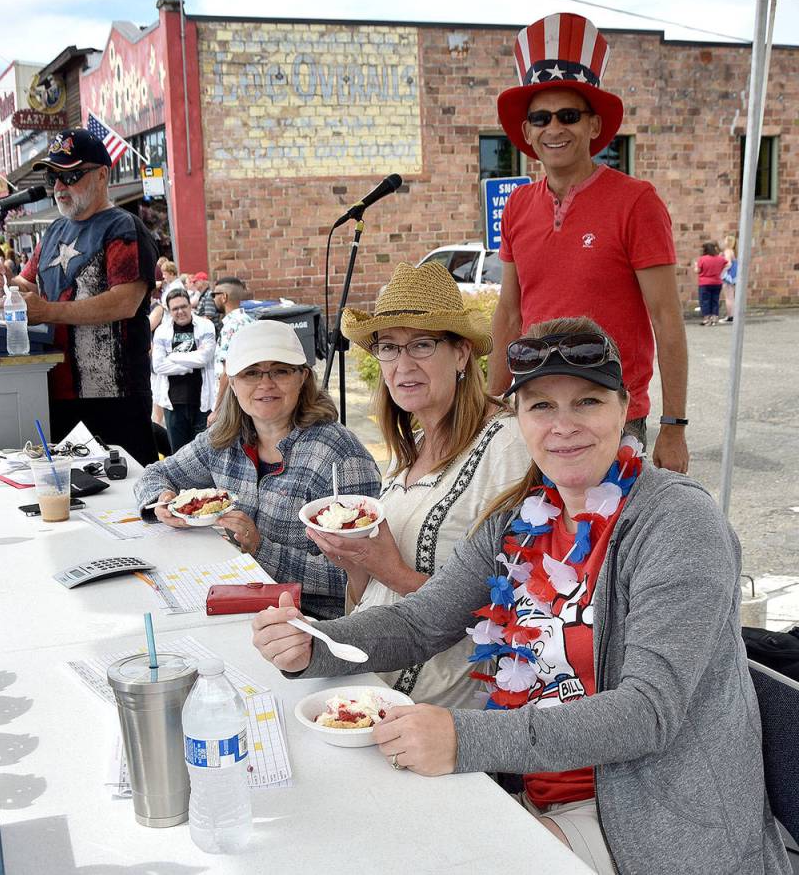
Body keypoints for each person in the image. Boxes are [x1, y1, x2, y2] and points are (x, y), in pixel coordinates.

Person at [254, 315, 789, 874]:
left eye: (586, 402)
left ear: (625, 407)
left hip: (659, 819)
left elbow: (648, 712)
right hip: (544, 792)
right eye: (540, 406)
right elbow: (421, 623)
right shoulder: (521, 518)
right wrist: (314, 642)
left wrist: (464, 737)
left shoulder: (677, 522)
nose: (563, 426)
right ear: (518, 420)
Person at [305, 261, 530, 707]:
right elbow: (372, 597)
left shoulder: (508, 443)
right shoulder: (409, 453)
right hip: (368, 689)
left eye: (422, 345)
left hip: (442, 711)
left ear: (462, 353)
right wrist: (353, 560)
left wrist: (391, 570)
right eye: (388, 348)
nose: (402, 364)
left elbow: (517, 605)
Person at [486, 12, 689, 474]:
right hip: (536, 405)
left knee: (607, 537)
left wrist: (674, 424)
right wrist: (494, 405)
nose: (553, 128)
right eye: (540, 117)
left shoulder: (637, 201)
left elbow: (667, 318)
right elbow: (510, 312)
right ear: (527, 132)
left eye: (568, 115)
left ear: (595, 126)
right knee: (534, 534)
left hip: (612, 411)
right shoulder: (517, 205)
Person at [135, 320, 381, 620]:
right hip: (236, 603)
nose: (265, 383)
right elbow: (155, 474)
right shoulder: (225, 439)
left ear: (302, 377)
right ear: (233, 382)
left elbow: (363, 574)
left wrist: (260, 547)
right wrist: (163, 501)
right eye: (251, 373)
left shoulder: (338, 456)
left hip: (311, 623)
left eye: (280, 370)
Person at [0, 129, 160, 465]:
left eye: (71, 175)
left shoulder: (124, 227)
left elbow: (125, 301)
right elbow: (31, 286)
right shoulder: (54, 230)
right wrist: (6, 284)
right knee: (68, 490)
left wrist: (46, 310)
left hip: (113, 393)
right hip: (53, 388)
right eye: (54, 177)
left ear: (102, 175)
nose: (59, 187)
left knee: (128, 491)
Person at [152, 287, 217, 453]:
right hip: (173, 404)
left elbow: (204, 358)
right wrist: (190, 366)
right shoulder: (162, 331)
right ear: (169, 311)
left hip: (202, 403)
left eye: (183, 306)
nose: (180, 311)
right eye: (175, 308)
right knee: (178, 455)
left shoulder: (205, 326)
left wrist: (172, 356)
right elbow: (158, 365)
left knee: (204, 454)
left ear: (190, 306)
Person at [209, 276, 255, 423]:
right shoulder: (248, 321)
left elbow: (227, 370)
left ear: (224, 297)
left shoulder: (232, 326)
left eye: (214, 295)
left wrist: (217, 409)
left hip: (232, 403)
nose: (212, 299)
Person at [694, 241, 728, 326]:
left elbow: (697, 271)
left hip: (704, 283)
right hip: (717, 282)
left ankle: (707, 319)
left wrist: (695, 266)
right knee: (715, 300)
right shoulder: (720, 258)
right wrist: (720, 271)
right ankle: (715, 318)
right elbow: (727, 264)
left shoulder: (702, 259)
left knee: (705, 301)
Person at [720, 233, 739, 323]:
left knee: (728, 297)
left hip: (728, 276)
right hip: (733, 276)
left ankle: (729, 316)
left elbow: (728, 264)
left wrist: (722, 273)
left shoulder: (727, 251)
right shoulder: (734, 251)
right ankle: (732, 315)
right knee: (731, 297)